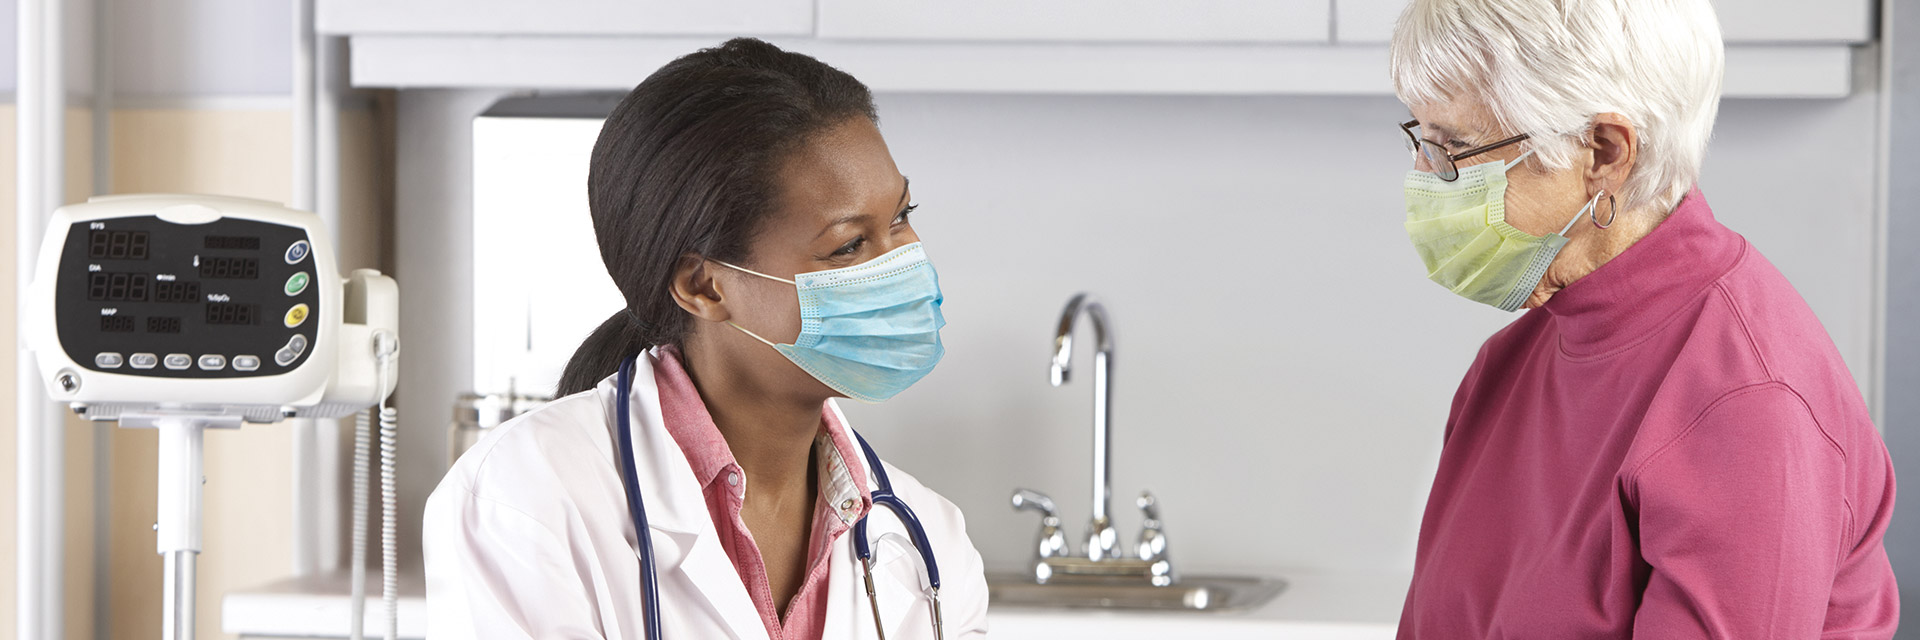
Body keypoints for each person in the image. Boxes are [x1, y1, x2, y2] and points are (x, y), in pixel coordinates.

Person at [423, 38, 988, 639]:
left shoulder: (928, 539)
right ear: (705, 287)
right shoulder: (524, 502)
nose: (901, 263)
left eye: (901, 216)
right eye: (849, 245)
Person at [1390, 0, 1898, 636]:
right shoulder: (1509, 364)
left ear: (1603, 152)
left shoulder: (1746, 402)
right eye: (1423, 139)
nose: (1425, 178)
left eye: (1456, 147)